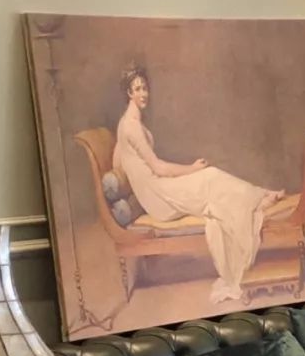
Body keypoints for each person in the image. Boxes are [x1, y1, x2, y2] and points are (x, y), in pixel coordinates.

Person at [112, 65, 286, 304]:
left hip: (158, 188)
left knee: (212, 184)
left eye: (145, 88)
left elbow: (117, 158)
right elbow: (158, 168)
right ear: (129, 93)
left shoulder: (128, 123)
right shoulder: (131, 126)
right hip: (158, 197)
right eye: (138, 89)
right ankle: (260, 198)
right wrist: (192, 168)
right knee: (209, 175)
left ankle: (259, 197)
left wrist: (123, 173)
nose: (144, 93)